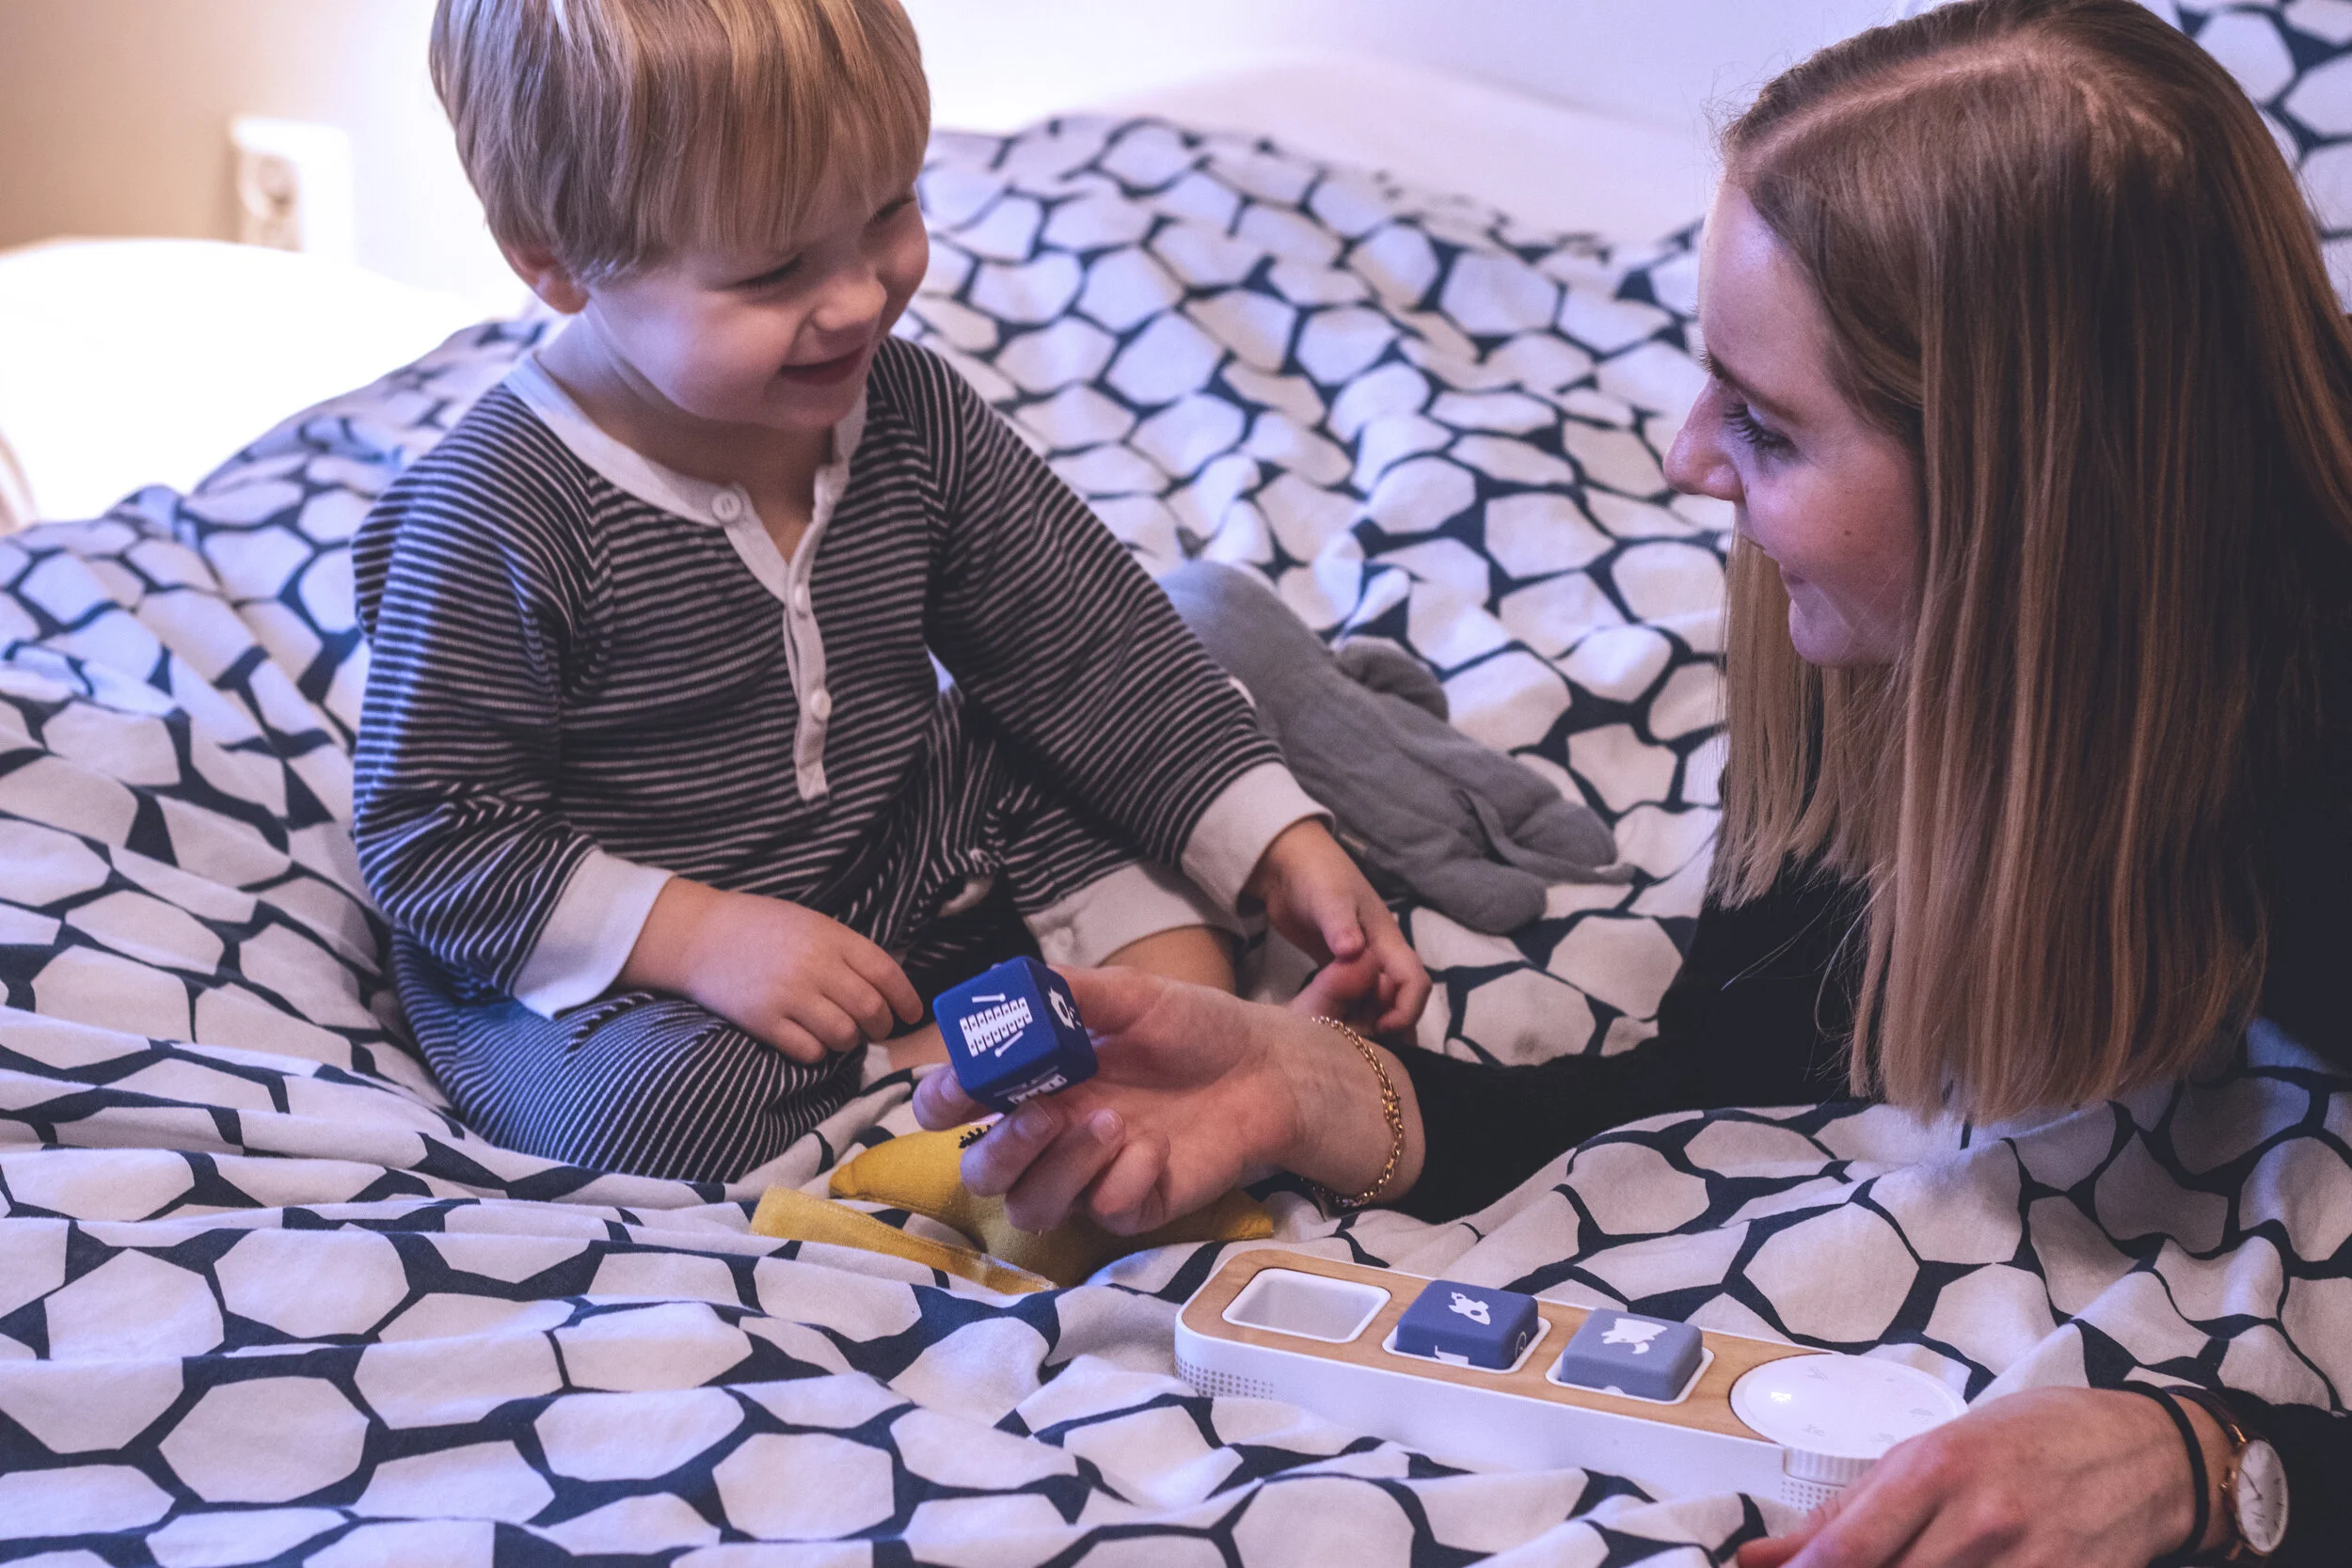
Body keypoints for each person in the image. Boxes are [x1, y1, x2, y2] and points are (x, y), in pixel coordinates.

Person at [914, 2, 2352, 1562]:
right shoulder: (1897, 684)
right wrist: (1302, 1087)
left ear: (2034, 501)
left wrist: (2212, 1460)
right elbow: (1723, 1055)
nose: (1679, 461)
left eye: (1770, 428)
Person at [351, 0, 1429, 1184]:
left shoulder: (910, 414)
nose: (861, 298)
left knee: (1082, 755)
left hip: (898, 845)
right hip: (643, 950)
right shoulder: (494, 515)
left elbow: (1088, 646)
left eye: (889, 213)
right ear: (554, 260)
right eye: (772, 271)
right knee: (639, 1111)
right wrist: (703, 937)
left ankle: (1160, 1031)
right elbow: (432, 834)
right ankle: (951, 1083)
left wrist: (1284, 845)